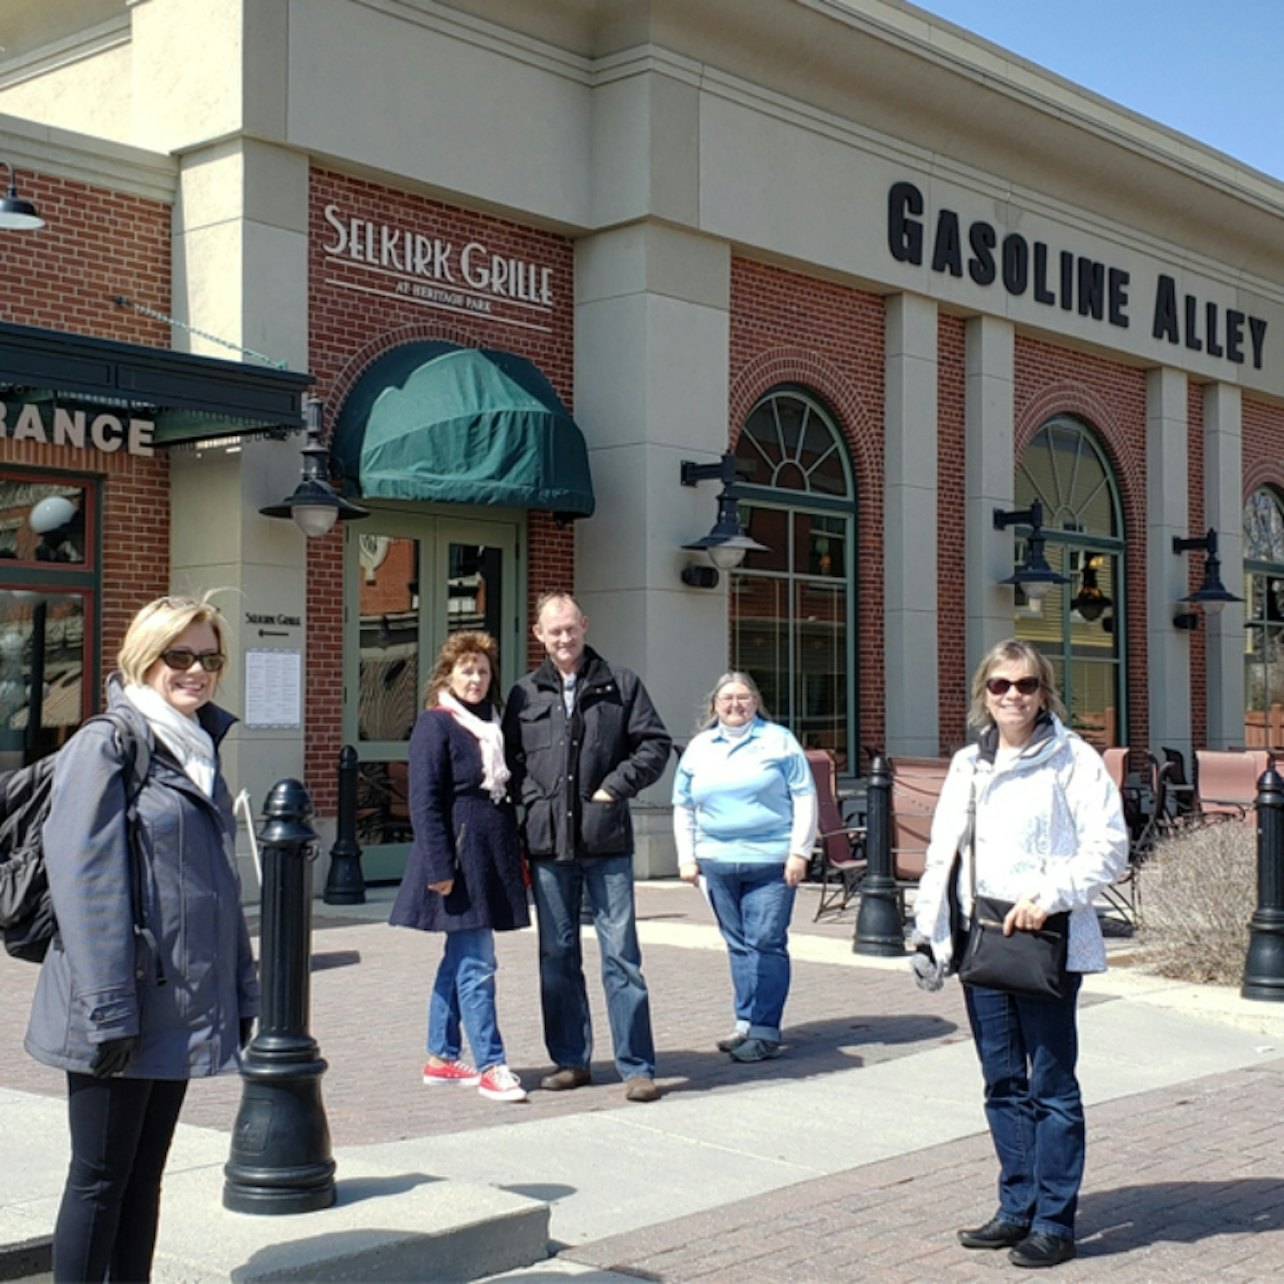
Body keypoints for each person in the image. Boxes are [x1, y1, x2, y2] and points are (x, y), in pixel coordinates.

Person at [25, 594, 260, 1284]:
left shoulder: (195, 747)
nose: (196, 671)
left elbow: (213, 886)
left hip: (175, 1001)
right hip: (116, 1003)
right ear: (142, 659)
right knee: (99, 1179)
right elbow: (86, 884)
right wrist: (108, 1008)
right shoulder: (108, 744)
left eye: (209, 658)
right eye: (178, 656)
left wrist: (241, 987)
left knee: (144, 1178)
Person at [912, 638, 1127, 1270]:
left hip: (1043, 938)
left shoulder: (1072, 760)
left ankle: (1055, 1221)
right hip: (982, 939)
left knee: (1052, 1085)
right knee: (1002, 1082)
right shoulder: (967, 764)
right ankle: (1017, 1207)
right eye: (1000, 685)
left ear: (1044, 693)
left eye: (1026, 686)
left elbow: (1108, 847)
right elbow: (941, 855)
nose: (1013, 696)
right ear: (984, 692)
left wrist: (1049, 895)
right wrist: (927, 931)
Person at [503, 591, 671, 1103]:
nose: (564, 638)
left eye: (571, 629)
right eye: (554, 631)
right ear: (539, 634)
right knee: (557, 955)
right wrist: (533, 802)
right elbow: (510, 761)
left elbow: (655, 744)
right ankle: (570, 1061)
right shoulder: (524, 693)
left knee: (621, 955)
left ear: (584, 626)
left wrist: (615, 786)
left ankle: (637, 1066)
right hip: (549, 846)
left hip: (606, 842)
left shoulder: (621, 684)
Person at [390, 630, 530, 1103]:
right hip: (458, 858)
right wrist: (439, 866)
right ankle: (492, 1064)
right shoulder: (437, 724)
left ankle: (442, 1056)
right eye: (467, 670)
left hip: (491, 856)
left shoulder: (494, 723)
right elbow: (424, 801)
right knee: (478, 963)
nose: (475, 678)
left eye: (483, 671)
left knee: (459, 960)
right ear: (448, 674)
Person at [672, 672, 817, 1063]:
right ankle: (744, 1023)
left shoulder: (779, 741)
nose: (735, 705)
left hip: (770, 860)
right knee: (738, 945)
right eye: (727, 699)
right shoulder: (700, 747)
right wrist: (687, 857)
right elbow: (683, 805)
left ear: (756, 702)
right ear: (714, 705)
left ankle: (765, 1031)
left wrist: (800, 852)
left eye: (743, 697)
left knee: (766, 941)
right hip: (716, 862)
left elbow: (804, 796)